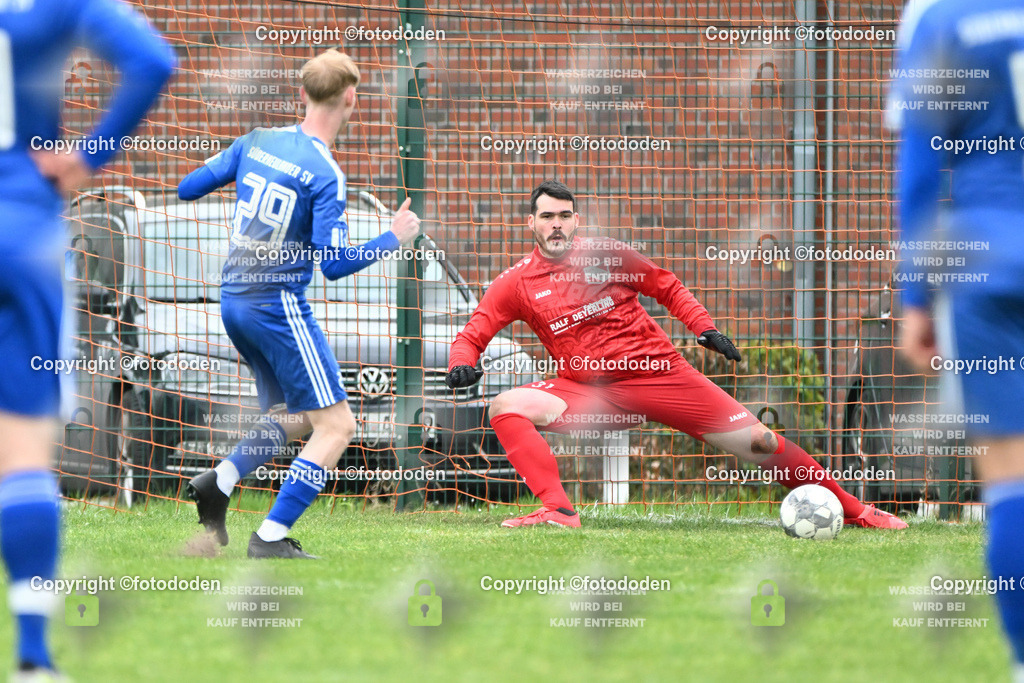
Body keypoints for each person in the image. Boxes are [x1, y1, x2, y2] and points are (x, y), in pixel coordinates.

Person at [445, 180, 907, 530]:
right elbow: (473, 332)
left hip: (659, 374)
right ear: (532, 224)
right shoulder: (516, 282)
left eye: (565, 215)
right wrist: (460, 364)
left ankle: (857, 510)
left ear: (577, 221)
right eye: (547, 216)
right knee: (506, 406)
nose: (556, 224)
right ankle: (558, 510)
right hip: (589, 391)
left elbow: (664, 284)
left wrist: (704, 328)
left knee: (762, 444)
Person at [179, 49, 420, 559]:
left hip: (233, 302)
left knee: (297, 415)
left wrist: (241, 171)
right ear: (351, 97)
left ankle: (219, 481)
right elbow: (334, 265)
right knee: (339, 425)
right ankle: (269, 538)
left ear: (303, 93)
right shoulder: (327, 173)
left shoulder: (257, 141)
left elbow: (187, 187)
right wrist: (392, 238)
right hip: (276, 305)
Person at [0, 0, 174, 676]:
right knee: (23, 453)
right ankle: (35, 658)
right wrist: (89, 155)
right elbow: (154, 60)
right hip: (26, 229)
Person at [889, 0, 1024, 677]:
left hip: (989, 263)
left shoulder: (938, 16)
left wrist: (917, 295)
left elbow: (920, 163)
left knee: (1009, 480)